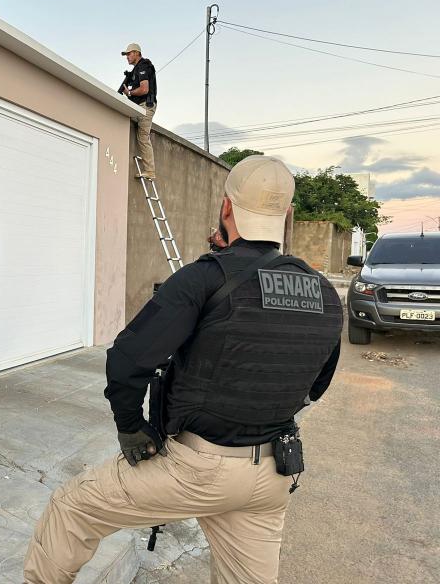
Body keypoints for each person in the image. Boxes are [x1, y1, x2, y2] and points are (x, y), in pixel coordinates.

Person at [24, 156, 344, 584]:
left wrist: (130, 426)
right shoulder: (323, 292)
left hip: (198, 468)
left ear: (227, 208)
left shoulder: (204, 278)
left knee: (70, 508)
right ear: (286, 215)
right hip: (272, 476)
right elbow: (315, 389)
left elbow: (127, 360)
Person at [119, 43, 157, 180]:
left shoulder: (143, 66)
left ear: (136, 53)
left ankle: (150, 171)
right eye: (126, 55)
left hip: (145, 105)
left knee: (143, 138)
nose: (127, 57)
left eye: (129, 54)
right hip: (140, 105)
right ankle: (149, 170)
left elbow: (144, 89)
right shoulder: (136, 69)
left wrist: (129, 92)